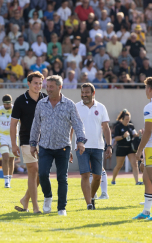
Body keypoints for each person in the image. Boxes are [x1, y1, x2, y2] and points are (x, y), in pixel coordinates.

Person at [29, 75, 87, 216]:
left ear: (60, 87)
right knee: (42, 174)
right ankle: (48, 196)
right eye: (47, 86)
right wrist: (32, 143)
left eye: (51, 87)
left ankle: (62, 208)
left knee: (62, 178)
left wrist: (80, 141)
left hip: (63, 147)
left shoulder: (69, 104)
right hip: (44, 146)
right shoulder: (41, 104)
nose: (47, 89)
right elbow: (36, 125)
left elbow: (78, 124)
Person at [10, 71, 47, 213]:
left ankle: (25, 199)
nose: (38, 86)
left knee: (42, 173)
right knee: (34, 170)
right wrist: (14, 144)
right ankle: (36, 207)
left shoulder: (46, 99)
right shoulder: (20, 100)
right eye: (35, 83)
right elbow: (13, 124)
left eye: (40, 83)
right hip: (27, 140)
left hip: (45, 141)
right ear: (29, 83)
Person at [74, 83, 112, 210]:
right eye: (82, 92)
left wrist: (109, 145)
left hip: (98, 146)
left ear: (93, 93)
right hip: (81, 146)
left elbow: (106, 128)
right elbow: (70, 129)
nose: (84, 95)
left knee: (97, 177)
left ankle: (91, 197)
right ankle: (89, 203)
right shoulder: (75, 107)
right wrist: (69, 145)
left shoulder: (101, 107)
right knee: (85, 175)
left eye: (87, 93)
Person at [133, 77, 152, 219]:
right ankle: (146, 211)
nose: (145, 90)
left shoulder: (149, 107)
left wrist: (139, 150)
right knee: (147, 179)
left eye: (146, 87)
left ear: (150, 89)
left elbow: (148, 131)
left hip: (150, 148)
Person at [0, 95, 16, 188]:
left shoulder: (16, 109)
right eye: (5, 104)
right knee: (5, 157)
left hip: (14, 137)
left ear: (11, 102)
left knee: (11, 159)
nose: (7, 105)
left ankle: (9, 178)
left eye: (8, 104)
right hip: (2, 137)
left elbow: (21, 122)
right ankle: (6, 181)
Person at [111, 109, 142, 185]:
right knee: (119, 165)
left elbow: (134, 135)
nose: (128, 121)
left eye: (129, 119)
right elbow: (115, 138)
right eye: (126, 119)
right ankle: (113, 180)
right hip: (121, 148)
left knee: (134, 164)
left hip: (130, 148)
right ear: (122, 119)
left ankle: (137, 181)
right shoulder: (118, 127)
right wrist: (123, 136)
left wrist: (139, 134)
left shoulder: (131, 126)